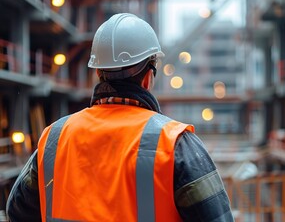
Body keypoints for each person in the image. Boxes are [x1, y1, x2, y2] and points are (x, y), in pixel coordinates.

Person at [6, 13, 234, 222]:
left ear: (98, 73)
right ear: (148, 77)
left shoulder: (55, 138)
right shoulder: (175, 144)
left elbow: (17, 211)